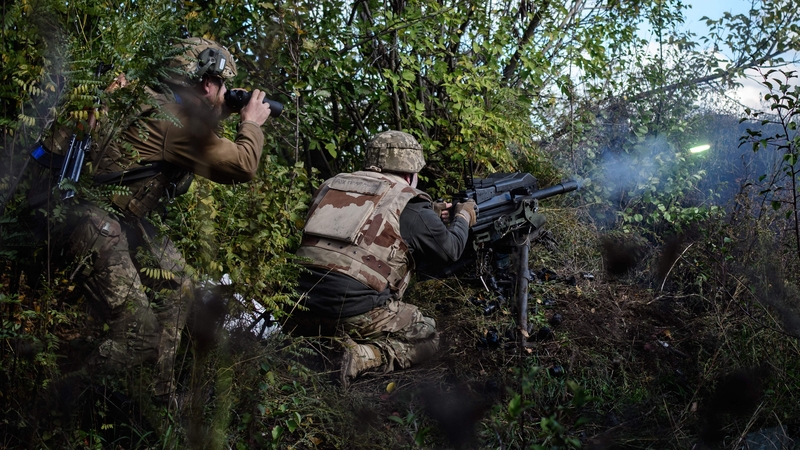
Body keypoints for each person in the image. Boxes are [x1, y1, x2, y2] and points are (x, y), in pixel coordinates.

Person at [51, 37, 273, 402]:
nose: (226, 95)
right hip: (95, 225)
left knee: (178, 283)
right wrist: (251, 122)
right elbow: (243, 166)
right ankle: (55, 405)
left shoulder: (142, 98)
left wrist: (222, 109)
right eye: (224, 86)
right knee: (140, 336)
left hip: (105, 215)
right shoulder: (178, 123)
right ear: (207, 83)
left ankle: (157, 395)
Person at [285, 130, 477, 387]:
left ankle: (312, 340)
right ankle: (364, 357)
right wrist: (463, 216)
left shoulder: (332, 185)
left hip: (297, 306)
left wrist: (429, 214)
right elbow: (450, 250)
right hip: (351, 311)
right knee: (430, 335)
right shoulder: (409, 201)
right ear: (410, 174)